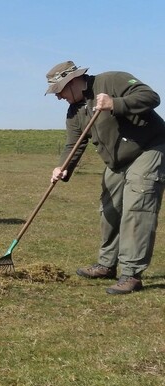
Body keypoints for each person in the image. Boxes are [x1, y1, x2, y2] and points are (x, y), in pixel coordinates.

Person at [45, 61, 165, 294]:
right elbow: (73, 144)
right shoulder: (74, 111)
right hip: (117, 162)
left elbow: (151, 97)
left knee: (137, 207)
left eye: (59, 91)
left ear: (71, 82)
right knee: (109, 208)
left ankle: (131, 274)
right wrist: (62, 167)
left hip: (150, 148)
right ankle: (106, 264)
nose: (58, 97)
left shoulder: (112, 80)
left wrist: (116, 103)